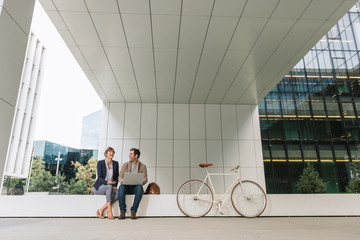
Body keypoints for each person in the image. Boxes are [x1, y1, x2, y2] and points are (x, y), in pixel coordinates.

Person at [118, 148, 148, 220]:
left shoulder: (143, 166)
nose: (129, 155)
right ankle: (122, 211)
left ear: (136, 156)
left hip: (136, 187)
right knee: (121, 187)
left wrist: (140, 181)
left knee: (139, 188)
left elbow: (145, 179)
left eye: (131, 154)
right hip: (126, 186)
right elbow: (120, 177)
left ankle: (133, 211)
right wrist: (123, 181)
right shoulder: (125, 165)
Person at [93, 147, 119, 219]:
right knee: (109, 186)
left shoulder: (116, 164)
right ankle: (109, 211)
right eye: (110, 151)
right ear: (106, 154)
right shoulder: (100, 163)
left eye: (113, 152)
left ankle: (101, 209)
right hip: (99, 187)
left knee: (119, 193)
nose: (111, 153)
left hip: (110, 187)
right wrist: (107, 182)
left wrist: (115, 185)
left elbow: (116, 177)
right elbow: (100, 178)